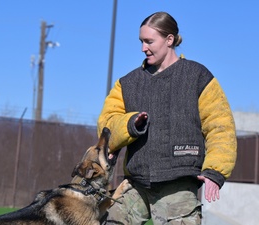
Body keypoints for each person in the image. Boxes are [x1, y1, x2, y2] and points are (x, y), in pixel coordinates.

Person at [97, 11, 237, 225]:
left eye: (149, 41)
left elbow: (220, 127)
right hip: (135, 184)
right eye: (141, 41)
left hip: (178, 185)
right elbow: (106, 126)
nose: (143, 47)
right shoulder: (127, 83)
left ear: (169, 39)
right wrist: (129, 125)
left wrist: (215, 171)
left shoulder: (198, 76)